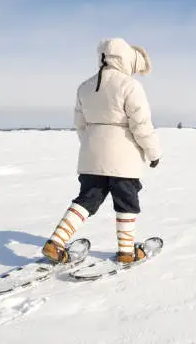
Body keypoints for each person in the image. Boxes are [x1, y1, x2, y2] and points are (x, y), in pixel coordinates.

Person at [42, 38, 162, 264]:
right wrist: (154, 153)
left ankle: (55, 242)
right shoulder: (130, 86)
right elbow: (141, 125)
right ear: (126, 58)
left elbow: (80, 124)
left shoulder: (84, 87)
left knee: (87, 199)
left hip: (91, 157)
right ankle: (126, 252)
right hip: (124, 159)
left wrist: (92, 147)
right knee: (126, 201)